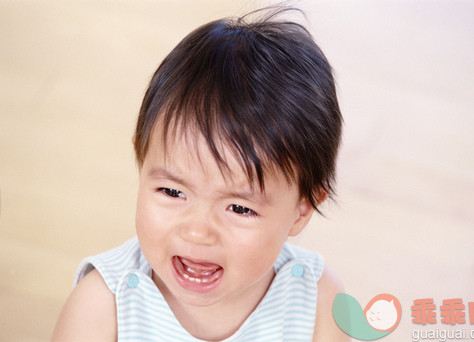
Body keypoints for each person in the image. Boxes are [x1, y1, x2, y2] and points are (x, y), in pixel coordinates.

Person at [52, 6, 347, 341]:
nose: (197, 233)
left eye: (240, 208)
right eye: (172, 192)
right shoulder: (105, 306)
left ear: (302, 208)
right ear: (141, 159)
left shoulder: (318, 302)